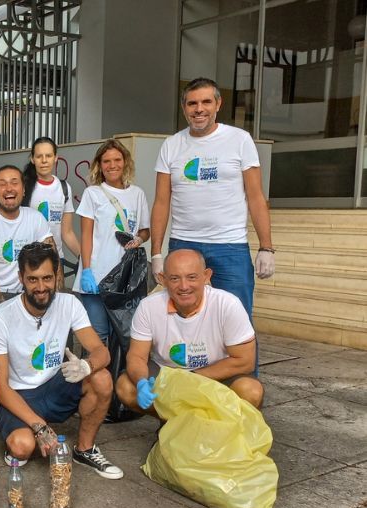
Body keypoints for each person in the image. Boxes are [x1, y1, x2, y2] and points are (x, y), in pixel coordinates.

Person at [0, 242, 123, 479]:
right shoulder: (2, 316)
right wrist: (40, 427)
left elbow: (102, 352)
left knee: (101, 377)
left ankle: (85, 449)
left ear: (58, 274)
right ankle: (27, 429)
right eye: (33, 279)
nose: (41, 287)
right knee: (22, 447)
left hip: (54, 386)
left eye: (47, 278)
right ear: (21, 278)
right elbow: (1, 387)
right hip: (18, 394)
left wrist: (86, 365)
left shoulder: (69, 304)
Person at [152, 77, 274, 319]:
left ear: (218, 104)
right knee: (184, 320)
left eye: (206, 102)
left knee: (236, 320)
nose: (199, 109)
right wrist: (156, 253)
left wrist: (266, 247)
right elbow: (161, 202)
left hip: (230, 247)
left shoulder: (240, 140)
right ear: (184, 107)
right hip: (183, 243)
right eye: (192, 103)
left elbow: (256, 197)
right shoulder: (171, 145)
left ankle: (241, 360)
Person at [115, 249, 263, 416]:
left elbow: (245, 361)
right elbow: (137, 357)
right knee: (126, 387)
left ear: (206, 276)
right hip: (166, 373)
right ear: (163, 279)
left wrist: (189, 380)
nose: (184, 286)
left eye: (192, 277)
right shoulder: (148, 306)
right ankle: (171, 421)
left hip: (213, 376)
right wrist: (142, 382)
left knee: (251, 391)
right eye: (174, 278)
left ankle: (212, 426)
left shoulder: (227, 304)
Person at [75, 139, 150, 342]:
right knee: (99, 336)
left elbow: (145, 230)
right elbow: (86, 236)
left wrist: (139, 240)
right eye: (106, 161)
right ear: (99, 165)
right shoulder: (93, 193)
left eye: (117, 159)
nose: (112, 165)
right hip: (97, 276)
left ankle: (120, 374)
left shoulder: (137, 194)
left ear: (125, 162)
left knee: (123, 335)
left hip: (125, 279)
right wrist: (87, 271)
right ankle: (98, 374)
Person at [0, 165, 54, 307]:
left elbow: (52, 261)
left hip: (31, 293)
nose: (9, 188)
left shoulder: (36, 218)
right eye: (2, 184)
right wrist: (5, 308)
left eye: (14, 183)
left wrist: (54, 300)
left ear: (23, 190)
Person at [23, 136, 81, 286]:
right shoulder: (23, 186)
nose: (44, 160)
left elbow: (67, 232)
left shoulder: (64, 188)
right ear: (32, 159)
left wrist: (85, 259)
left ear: (56, 158)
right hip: (29, 261)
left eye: (48, 156)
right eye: (39, 156)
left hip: (55, 260)